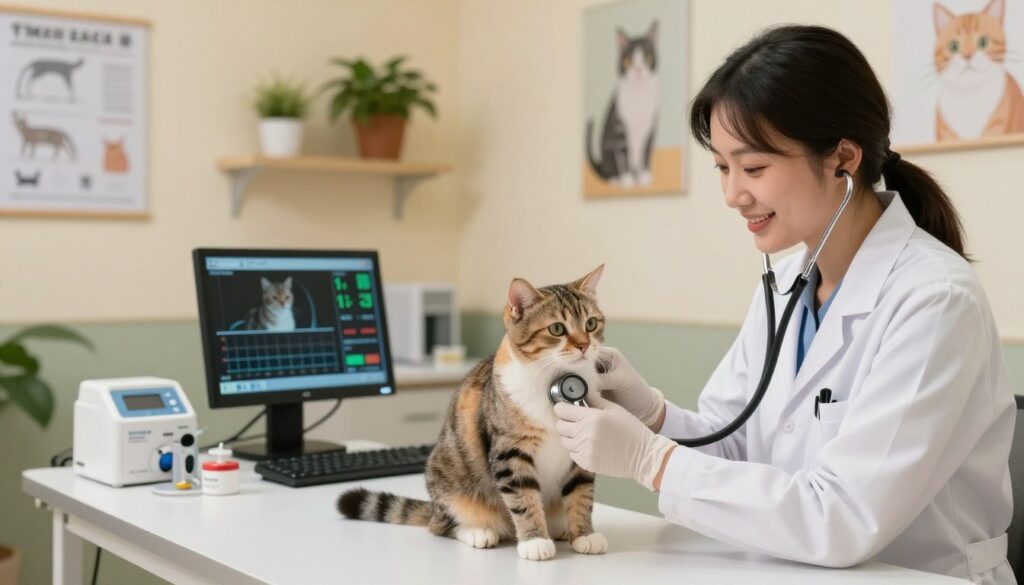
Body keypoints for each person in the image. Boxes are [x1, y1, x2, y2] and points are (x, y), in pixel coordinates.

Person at [554, 25, 1015, 584]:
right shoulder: (788, 284)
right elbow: (736, 443)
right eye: (723, 167)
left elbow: (842, 518)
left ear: (842, 158)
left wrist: (652, 461)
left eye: (753, 168)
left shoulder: (936, 302)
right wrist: (651, 414)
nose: (732, 195)